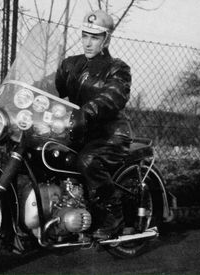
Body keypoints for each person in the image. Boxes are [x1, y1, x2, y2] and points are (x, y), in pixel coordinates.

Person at [55, 10, 133, 239]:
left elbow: (113, 96)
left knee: (87, 161)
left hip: (108, 134)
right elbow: (48, 87)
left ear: (106, 39)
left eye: (95, 37)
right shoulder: (70, 65)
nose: (88, 42)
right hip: (76, 130)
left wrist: (86, 112)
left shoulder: (117, 69)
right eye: (85, 36)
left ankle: (114, 215)